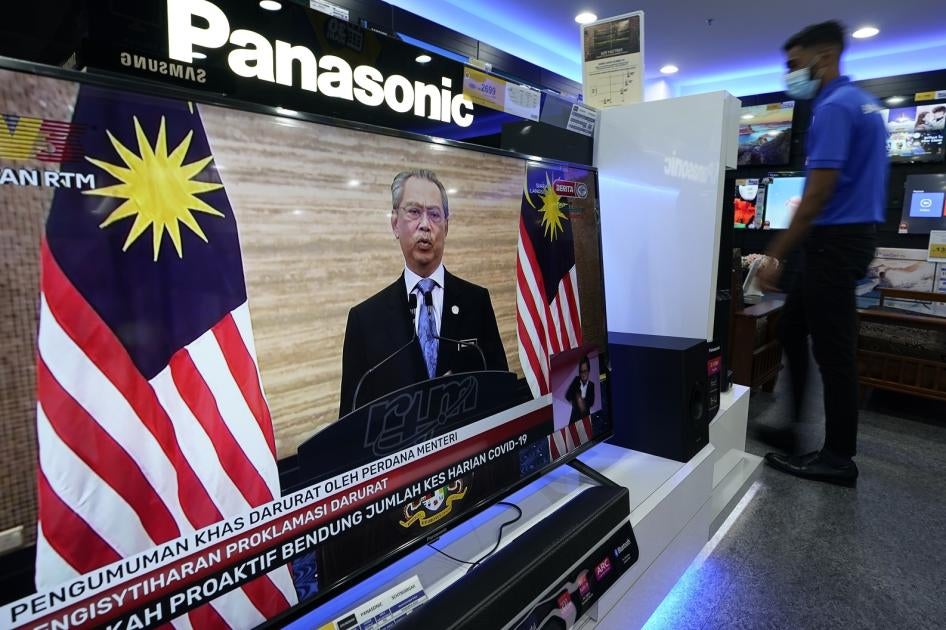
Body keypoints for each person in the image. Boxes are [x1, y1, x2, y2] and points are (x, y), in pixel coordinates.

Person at [756, 21, 888, 487]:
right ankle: (790, 427)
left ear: (825, 56)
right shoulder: (864, 104)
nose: (790, 75)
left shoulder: (833, 107)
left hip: (835, 239)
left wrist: (775, 254)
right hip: (847, 237)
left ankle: (837, 457)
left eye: (795, 64)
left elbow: (816, 196)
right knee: (792, 326)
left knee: (834, 351)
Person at [338, 169, 508, 416]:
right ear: (395, 224)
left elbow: (500, 393)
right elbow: (351, 419)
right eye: (414, 212)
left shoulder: (476, 302)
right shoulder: (364, 320)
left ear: (446, 227)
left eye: (435, 214)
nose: (425, 225)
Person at [565, 355, 595, 423]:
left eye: (585, 371)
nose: (583, 374)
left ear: (589, 371)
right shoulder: (576, 380)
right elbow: (567, 396)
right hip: (574, 420)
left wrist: (583, 402)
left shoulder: (591, 385)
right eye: (581, 371)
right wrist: (577, 396)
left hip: (586, 419)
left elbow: (591, 402)